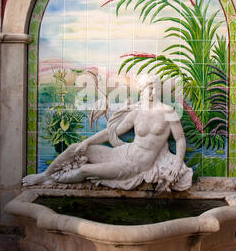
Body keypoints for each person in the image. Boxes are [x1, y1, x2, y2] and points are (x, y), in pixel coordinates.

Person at [22, 75, 193, 192]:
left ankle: (53, 180)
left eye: (154, 87)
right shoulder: (136, 112)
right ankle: (44, 175)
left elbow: (180, 140)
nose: (150, 91)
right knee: (75, 147)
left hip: (135, 166)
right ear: (141, 90)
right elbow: (110, 132)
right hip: (122, 153)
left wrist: (177, 164)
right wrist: (87, 142)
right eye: (146, 88)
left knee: (85, 170)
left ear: (158, 88)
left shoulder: (168, 111)